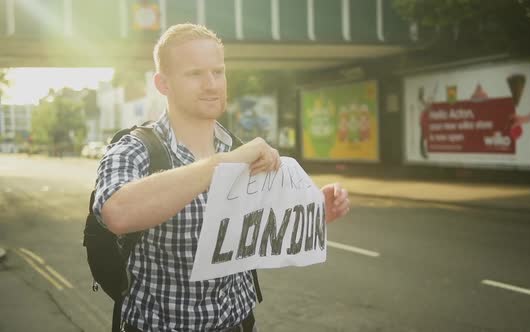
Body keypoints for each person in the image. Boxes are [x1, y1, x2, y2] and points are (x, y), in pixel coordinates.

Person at [93, 23, 351, 332]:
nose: (211, 84)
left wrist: (311, 209)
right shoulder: (136, 149)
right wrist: (223, 164)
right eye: (194, 74)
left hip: (239, 324)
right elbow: (116, 213)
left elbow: (256, 232)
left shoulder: (239, 149)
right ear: (163, 84)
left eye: (218, 71)